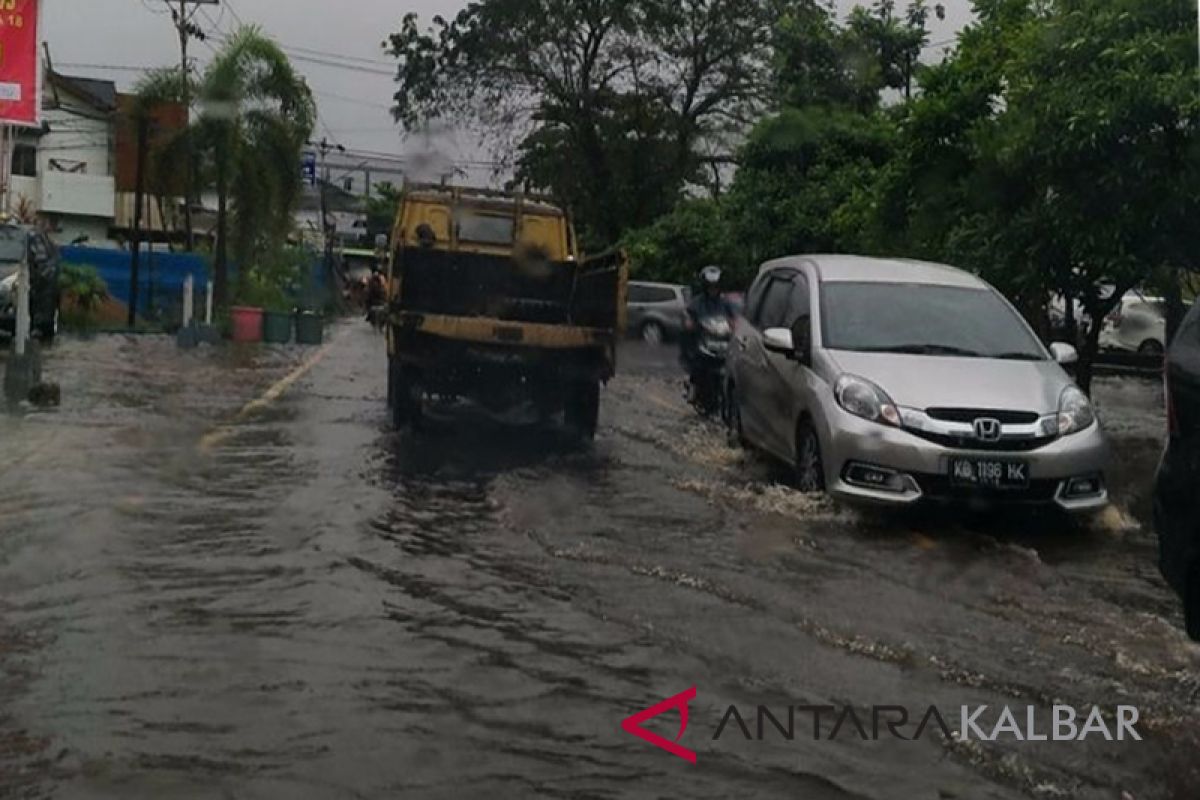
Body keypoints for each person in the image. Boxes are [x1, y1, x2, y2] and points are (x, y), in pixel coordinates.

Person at [680, 265, 734, 372]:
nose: (713, 289)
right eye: (710, 286)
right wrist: (690, 323)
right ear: (705, 286)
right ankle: (690, 368)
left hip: (721, 338)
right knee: (686, 339)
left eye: (715, 286)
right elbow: (688, 315)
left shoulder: (725, 302)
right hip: (703, 337)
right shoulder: (696, 302)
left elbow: (733, 317)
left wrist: (735, 325)